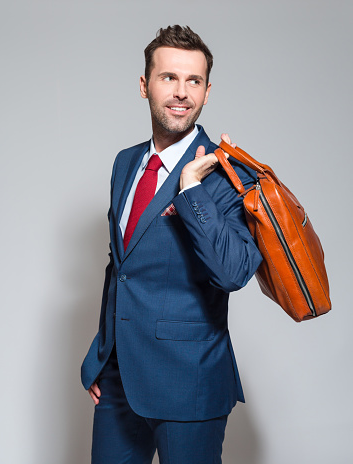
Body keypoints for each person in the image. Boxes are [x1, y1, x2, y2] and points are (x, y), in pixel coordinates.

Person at [81, 25, 262, 464]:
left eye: (193, 81)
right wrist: (101, 356)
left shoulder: (230, 173)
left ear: (206, 91)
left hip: (190, 383)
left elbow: (233, 272)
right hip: (120, 382)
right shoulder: (126, 163)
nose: (181, 92)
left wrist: (190, 191)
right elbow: (121, 266)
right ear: (145, 85)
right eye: (168, 78)